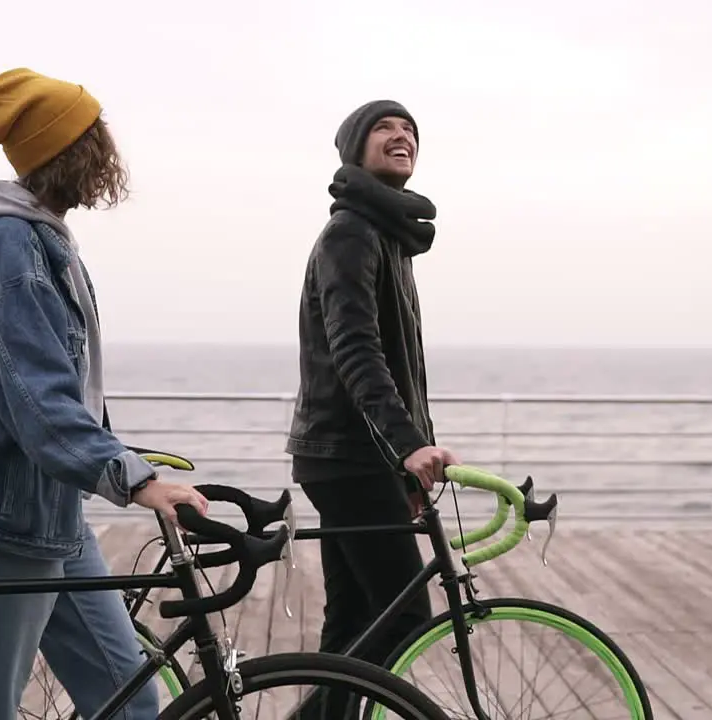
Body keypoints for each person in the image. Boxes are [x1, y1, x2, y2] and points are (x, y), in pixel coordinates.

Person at [0, 68, 208, 720]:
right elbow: (37, 398)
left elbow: (65, 394)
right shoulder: (11, 246)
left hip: (53, 517)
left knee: (132, 703)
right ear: (73, 151)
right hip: (4, 523)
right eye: (97, 136)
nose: (110, 152)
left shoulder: (42, 240)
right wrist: (134, 481)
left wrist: (121, 462)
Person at [285, 99, 461, 715]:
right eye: (384, 128)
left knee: (355, 621)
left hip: (359, 457)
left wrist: (408, 455)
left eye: (409, 129)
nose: (401, 135)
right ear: (355, 148)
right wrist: (406, 446)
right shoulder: (351, 233)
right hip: (345, 453)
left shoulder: (389, 236)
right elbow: (356, 351)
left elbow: (405, 365)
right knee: (406, 615)